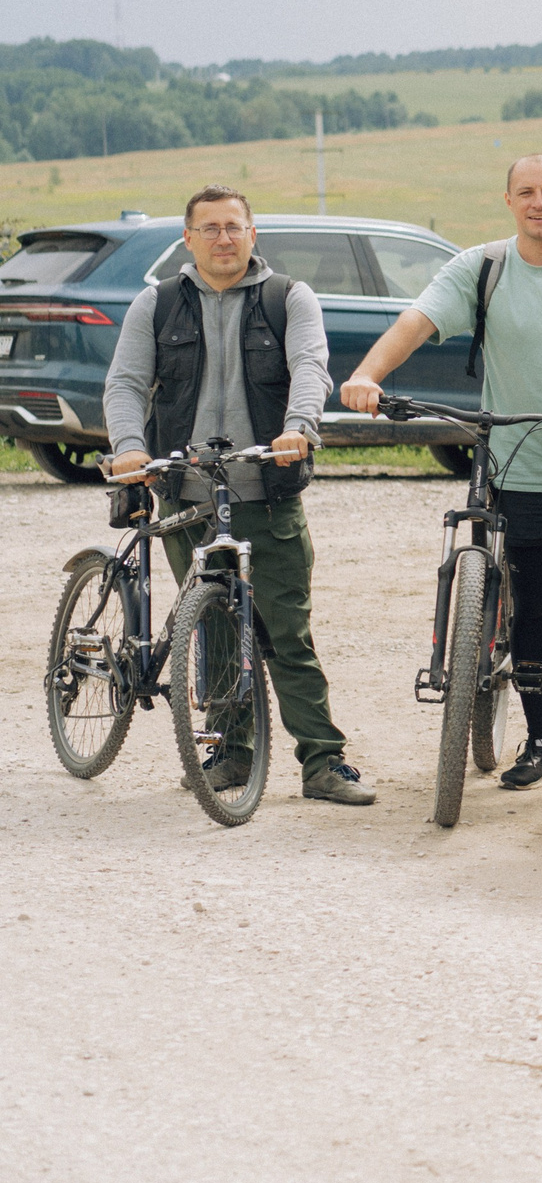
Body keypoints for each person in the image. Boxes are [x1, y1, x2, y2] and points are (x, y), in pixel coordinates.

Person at [341, 154, 542, 790]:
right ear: (508, 201)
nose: (539, 202)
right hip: (518, 462)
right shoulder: (482, 266)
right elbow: (415, 322)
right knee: (532, 607)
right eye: (526, 192)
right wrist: (368, 375)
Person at [103, 185, 374, 805]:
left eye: (234, 227)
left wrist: (299, 426)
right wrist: (128, 444)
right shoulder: (159, 303)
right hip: (186, 494)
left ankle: (322, 764)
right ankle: (230, 752)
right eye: (210, 228)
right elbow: (125, 383)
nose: (223, 238)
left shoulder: (287, 299)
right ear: (189, 238)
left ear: (253, 235)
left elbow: (312, 366)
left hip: (266, 491)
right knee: (216, 626)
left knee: (285, 632)